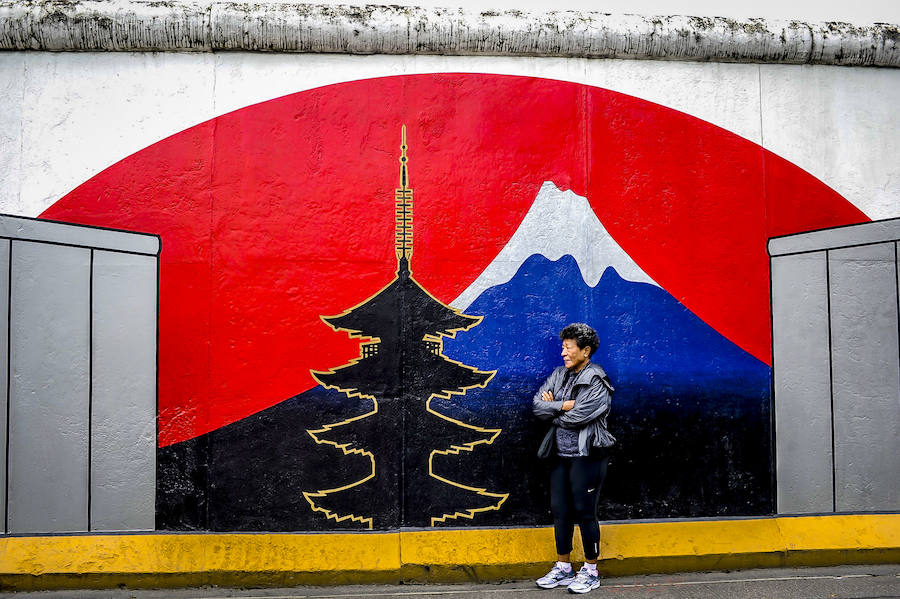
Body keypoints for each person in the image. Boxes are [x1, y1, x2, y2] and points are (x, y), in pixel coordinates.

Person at [532, 323, 615, 594]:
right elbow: (537, 406)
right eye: (563, 347)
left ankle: (591, 571)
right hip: (560, 455)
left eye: (568, 348)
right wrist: (561, 405)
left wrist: (553, 409)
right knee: (560, 512)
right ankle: (564, 568)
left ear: (585, 350)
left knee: (585, 513)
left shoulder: (596, 379)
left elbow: (580, 416)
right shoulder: (559, 374)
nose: (563, 352)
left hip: (587, 456)